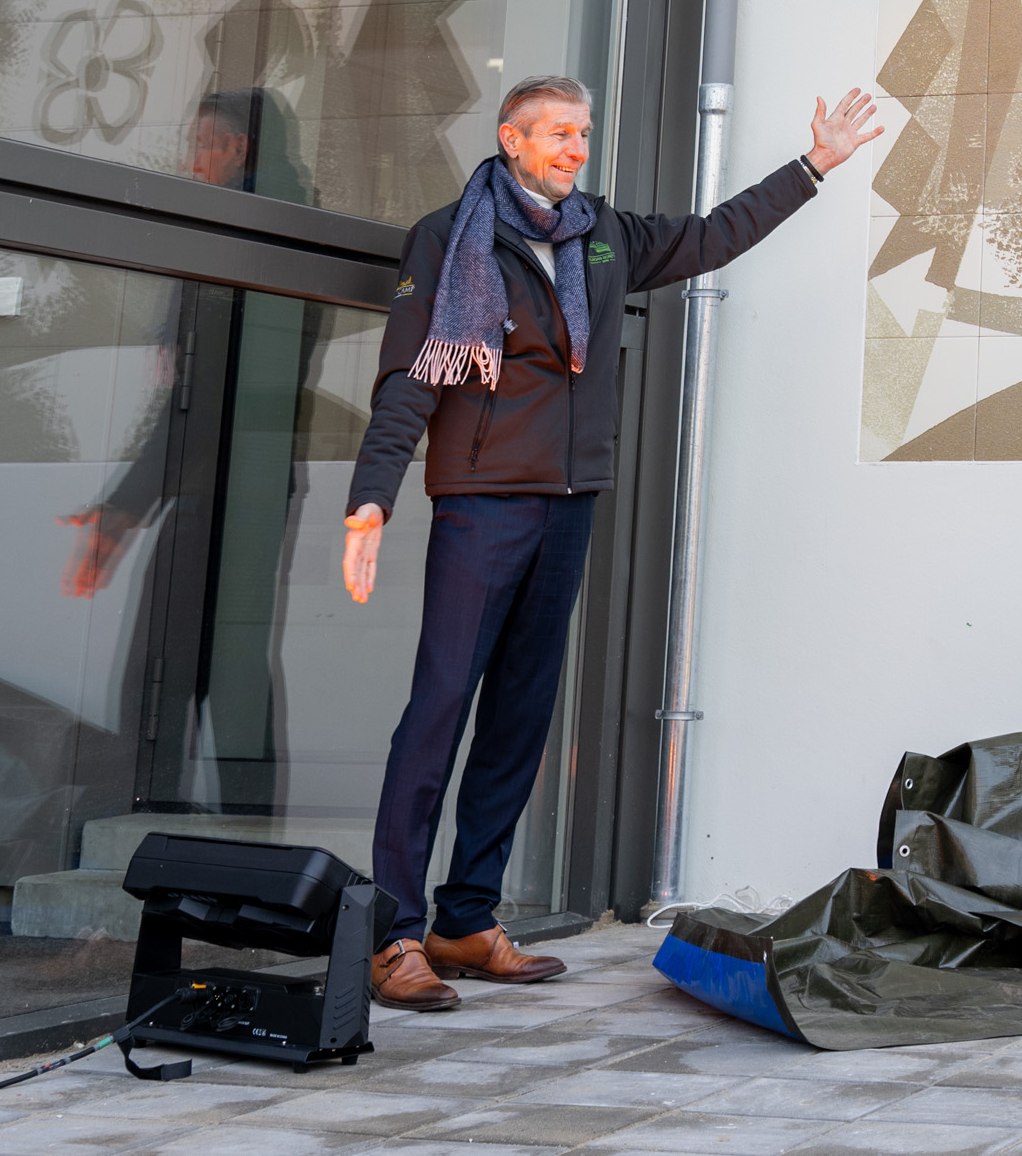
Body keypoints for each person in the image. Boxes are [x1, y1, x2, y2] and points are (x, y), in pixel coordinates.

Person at [341, 74, 885, 1009]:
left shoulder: (602, 233)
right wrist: (371, 499)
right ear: (510, 138)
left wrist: (815, 166)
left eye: (584, 134)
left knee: (520, 717)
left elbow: (714, 233)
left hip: (569, 501)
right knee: (438, 711)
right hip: (481, 501)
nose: (573, 148)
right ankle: (392, 934)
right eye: (556, 133)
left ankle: (465, 920)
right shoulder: (448, 237)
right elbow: (408, 374)